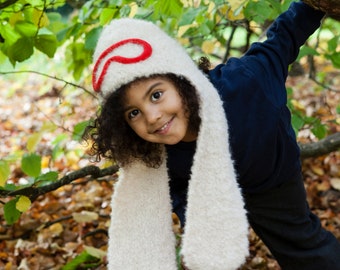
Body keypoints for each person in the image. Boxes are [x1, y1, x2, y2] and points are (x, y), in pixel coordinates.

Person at [85, 1, 340, 269]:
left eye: (157, 95)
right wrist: (193, 219)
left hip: (270, 177)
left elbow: (283, 38)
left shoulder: (246, 81)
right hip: (207, 187)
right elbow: (177, 187)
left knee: (301, 246)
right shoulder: (153, 149)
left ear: (184, 81)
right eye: (133, 113)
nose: (152, 116)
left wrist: (311, 6)